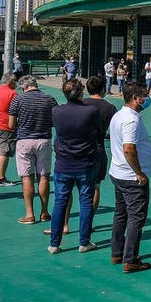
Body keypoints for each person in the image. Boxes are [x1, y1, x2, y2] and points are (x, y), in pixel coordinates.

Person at [48, 78, 103, 254]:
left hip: (63, 164)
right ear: (81, 92)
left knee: (59, 202)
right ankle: (84, 241)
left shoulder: (56, 111)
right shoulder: (91, 111)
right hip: (85, 164)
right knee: (86, 202)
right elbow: (100, 131)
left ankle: (54, 244)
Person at [109, 83, 151, 273]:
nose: (146, 99)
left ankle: (117, 252)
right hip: (131, 178)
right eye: (144, 96)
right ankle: (131, 259)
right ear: (136, 98)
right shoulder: (131, 120)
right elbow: (129, 148)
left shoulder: (119, 115)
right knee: (136, 217)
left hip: (118, 173)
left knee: (121, 214)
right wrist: (139, 172)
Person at [9, 75, 58, 224]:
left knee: (27, 177)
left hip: (24, 140)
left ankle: (29, 214)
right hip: (44, 140)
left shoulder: (17, 100)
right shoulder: (49, 99)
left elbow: (11, 125)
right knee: (43, 176)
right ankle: (44, 212)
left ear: (23, 87)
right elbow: (55, 120)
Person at [82, 75, 117, 213]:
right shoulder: (110, 108)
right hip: (99, 147)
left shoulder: (81, 104)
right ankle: (89, 219)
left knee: (73, 186)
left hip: (80, 148)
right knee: (96, 185)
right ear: (103, 89)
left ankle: (66, 223)